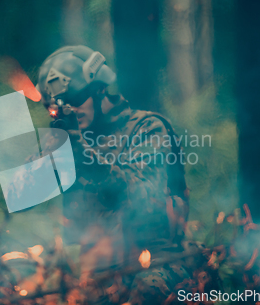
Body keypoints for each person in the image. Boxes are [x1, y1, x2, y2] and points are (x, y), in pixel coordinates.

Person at [36, 46, 199, 302]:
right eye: (60, 106)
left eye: (76, 99)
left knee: (143, 295)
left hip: (155, 262)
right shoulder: (68, 144)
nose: (70, 110)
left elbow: (141, 196)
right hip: (95, 273)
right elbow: (43, 217)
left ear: (100, 89)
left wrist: (84, 157)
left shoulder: (148, 128)